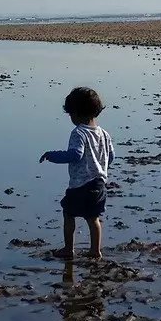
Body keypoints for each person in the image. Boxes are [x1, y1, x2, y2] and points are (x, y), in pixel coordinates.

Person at [39, 86, 114, 260]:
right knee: (93, 218)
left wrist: (52, 155)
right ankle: (95, 250)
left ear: (77, 114)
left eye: (71, 114)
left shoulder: (79, 132)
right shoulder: (104, 134)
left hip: (81, 184)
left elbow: (75, 154)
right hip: (99, 183)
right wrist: (101, 166)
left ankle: (68, 249)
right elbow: (111, 156)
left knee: (68, 213)